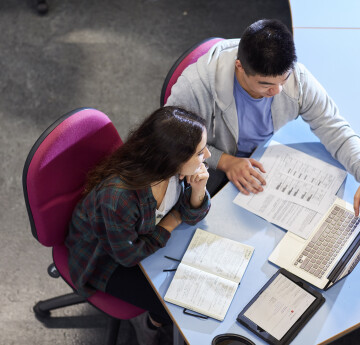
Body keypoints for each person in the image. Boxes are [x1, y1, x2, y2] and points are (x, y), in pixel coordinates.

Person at [165, 18, 360, 216]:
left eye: (284, 79)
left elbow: (335, 128)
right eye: (266, 84)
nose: (277, 91)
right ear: (239, 67)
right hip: (209, 161)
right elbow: (172, 141)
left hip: (260, 159)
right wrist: (225, 161)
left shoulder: (297, 79)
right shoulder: (195, 85)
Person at [65, 106, 211, 345]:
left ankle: (154, 319)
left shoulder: (173, 172)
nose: (207, 156)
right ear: (172, 158)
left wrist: (198, 189)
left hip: (143, 240)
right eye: (198, 153)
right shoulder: (118, 199)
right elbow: (127, 256)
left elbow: (192, 214)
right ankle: (149, 323)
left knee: (189, 288)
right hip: (104, 259)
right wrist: (172, 220)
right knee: (173, 305)